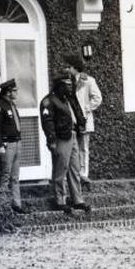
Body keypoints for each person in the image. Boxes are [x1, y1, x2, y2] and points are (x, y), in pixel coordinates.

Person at [40, 73, 90, 213]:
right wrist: (52, 141)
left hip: (73, 135)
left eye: (70, 84)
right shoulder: (49, 101)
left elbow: (78, 113)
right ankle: (60, 200)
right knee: (60, 170)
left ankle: (77, 200)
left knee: (74, 169)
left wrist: (81, 124)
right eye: (67, 85)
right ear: (59, 86)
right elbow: (47, 122)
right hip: (61, 139)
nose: (70, 87)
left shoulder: (68, 99)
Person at [0, 79, 26, 213]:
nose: (17, 92)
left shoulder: (11, 105)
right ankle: (3, 206)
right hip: (7, 144)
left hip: (16, 142)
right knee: (5, 176)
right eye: (14, 90)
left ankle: (17, 204)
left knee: (15, 177)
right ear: (8, 92)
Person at [65, 55, 102, 189]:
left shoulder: (88, 81)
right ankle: (73, 174)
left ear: (75, 68)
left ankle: (84, 174)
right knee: (71, 146)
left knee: (83, 148)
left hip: (84, 120)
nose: (67, 69)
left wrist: (86, 109)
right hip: (71, 120)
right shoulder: (67, 82)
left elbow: (97, 98)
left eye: (69, 67)